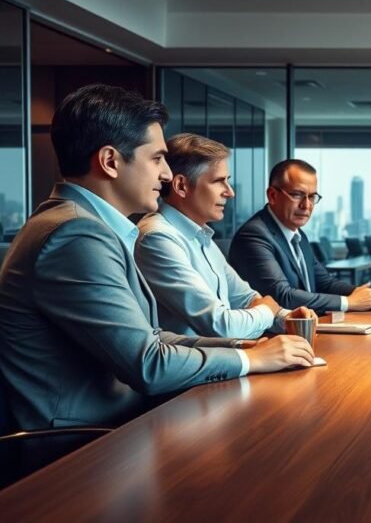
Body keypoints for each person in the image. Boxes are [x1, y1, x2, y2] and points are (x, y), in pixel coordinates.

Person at [0, 84, 314, 434]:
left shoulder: (86, 225)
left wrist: (243, 346)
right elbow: (149, 364)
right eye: (156, 158)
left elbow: (152, 337)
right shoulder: (75, 235)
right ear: (109, 161)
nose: (166, 174)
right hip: (79, 445)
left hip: (116, 423)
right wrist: (250, 359)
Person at [136, 133, 309, 339]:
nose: (230, 192)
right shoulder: (157, 237)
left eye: (228, 181)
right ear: (181, 186)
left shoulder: (202, 236)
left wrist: (286, 317)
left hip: (228, 359)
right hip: (198, 367)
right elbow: (220, 326)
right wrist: (268, 311)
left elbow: (245, 297)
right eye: (219, 181)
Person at [229, 159, 371, 315]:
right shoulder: (254, 235)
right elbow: (282, 297)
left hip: (308, 326)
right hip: (274, 335)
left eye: (312, 197)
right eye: (297, 195)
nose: (306, 205)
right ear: (273, 195)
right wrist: (349, 302)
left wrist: (361, 293)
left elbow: (324, 282)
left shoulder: (298, 235)